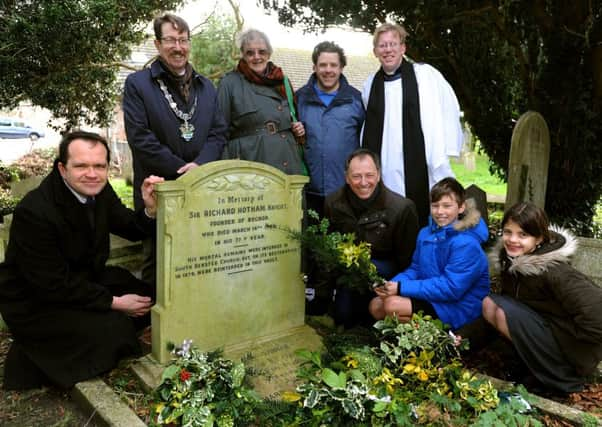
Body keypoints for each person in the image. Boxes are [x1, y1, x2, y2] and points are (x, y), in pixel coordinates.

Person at [0, 131, 164, 390]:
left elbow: (129, 227)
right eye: (82, 166)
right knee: (116, 328)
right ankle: (31, 356)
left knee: (147, 295)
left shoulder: (100, 190)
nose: (92, 173)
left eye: (99, 166)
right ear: (63, 169)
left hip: (81, 278)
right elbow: (51, 284)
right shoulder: (34, 211)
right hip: (36, 299)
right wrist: (115, 303)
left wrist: (150, 209)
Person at [123, 13, 227, 284]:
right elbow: (140, 137)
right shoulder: (137, 85)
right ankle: (153, 324)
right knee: (159, 264)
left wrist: (200, 167)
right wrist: (183, 170)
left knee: (200, 260)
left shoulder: (207, 87)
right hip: (160, 190)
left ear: (189, 44)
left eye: (183, 40)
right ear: (158, 44)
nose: (178, 47)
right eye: (170, 40)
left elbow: (218, 133)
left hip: (202, 189)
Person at [482, 202, 602, 393]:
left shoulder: (556, 271)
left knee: (497, 306)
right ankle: (529, 368)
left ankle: (560, 377)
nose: (513, 240)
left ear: (538, 239)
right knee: (492, 305)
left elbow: (597, 311)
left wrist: (575, 342)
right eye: (508, 232)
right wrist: (461, 337)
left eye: (523, 234)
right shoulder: (512, 262)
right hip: (541, 333)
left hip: (567, 350)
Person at [362, 23, 463, 226]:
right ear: (375, 52)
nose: (388, 50)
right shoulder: (370, 83)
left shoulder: (425, 76)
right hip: (386, 161)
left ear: (403, 48)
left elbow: (447, 107)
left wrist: (447, 148)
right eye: (382, 45)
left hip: (420, 160)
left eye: (393, 44)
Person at [370, 177, 489, 331]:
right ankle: (411, 339)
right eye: (435, 206)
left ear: (461, 208)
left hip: (459, 304)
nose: (440, 212)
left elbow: (451, 288)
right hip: (434, 295)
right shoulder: (425, 233)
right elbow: (416, 269)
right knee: (376, 304)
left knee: (393, 305)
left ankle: (432, 340)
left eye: (447, 206)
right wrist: (391, 285)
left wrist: (400, 288)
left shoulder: (466, 243)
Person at [324, 148, 419, 327]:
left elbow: (409, 261)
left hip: (387, 275)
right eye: (356, 176)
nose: (363, 182)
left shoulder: (401, 208)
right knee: (343, 319)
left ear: (378, 175)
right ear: (346, 177)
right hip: (348, 275)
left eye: (369, 175)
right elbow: (326, 251)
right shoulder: (333, 203)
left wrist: (397, 290)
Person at [217, 29, 306, 175]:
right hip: (251, 162)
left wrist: (298, 128)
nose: (256, 57)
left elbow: (291, 116)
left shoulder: (282, 80)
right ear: (243, 55)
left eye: (262, 52)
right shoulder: (229, 83)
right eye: (250, 53)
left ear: (269, 54)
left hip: (288, 159)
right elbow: (219, 132)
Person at [296, 41, 365, 216]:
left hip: (346, 190)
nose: (328, 70)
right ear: (314, 67)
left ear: (341, 67)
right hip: (309, 190)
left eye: (333, 65)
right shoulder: (299, 99)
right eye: (323, 65)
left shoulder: (357, 100)